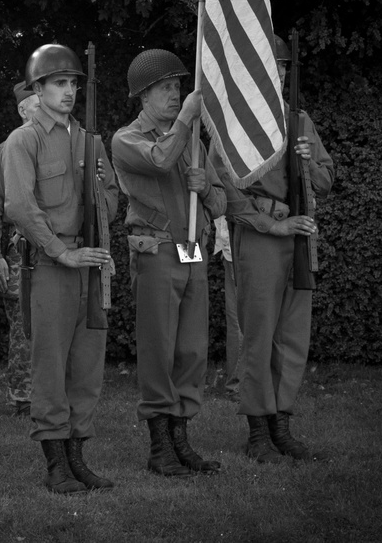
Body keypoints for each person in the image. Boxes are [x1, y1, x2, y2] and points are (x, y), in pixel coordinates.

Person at [3, 43, 119, 494]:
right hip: (50, 265)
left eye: (73, 83)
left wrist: (96, 225)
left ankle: (78, 459)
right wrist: (60, 250)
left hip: (90, 263)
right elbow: (19, 205)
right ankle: (55, 464)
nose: (68, 91)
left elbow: (110, 196)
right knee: (50, 366)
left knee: (86, 367)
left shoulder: (91, 141)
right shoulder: (24, 139)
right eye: (59, 83)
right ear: (38, 88)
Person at [216, 34, 334, 464]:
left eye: (283, 68)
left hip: (301, 235)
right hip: (264, 238)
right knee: (259, 335)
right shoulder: (238, 124)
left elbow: (325, 178)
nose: (278, 75)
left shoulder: (300, 121)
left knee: (292, 337)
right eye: (271, 67)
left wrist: (306, 160)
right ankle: (257, 430)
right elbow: (225, 187)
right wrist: (271, 223)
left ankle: (282, 424)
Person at [111, 49, 226, 477]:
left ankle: (181, 441)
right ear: (142, 96)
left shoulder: (191, 138)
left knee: (192, 350)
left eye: (177, 87)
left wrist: (205, 188)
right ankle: (160, 447)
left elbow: (219, 200)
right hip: (157, 250)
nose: (175, 94)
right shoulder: (126, 139)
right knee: (159, 348)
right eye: (164, 88)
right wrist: (186, 123)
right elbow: (159, 160)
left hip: (193, 251)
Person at [0, 81, 39, 417]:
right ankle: (22, 397)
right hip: (17, 252)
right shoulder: (4, 152)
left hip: (47, 247)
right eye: (37, 102)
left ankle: (43, 391)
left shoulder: (52, 145)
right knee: (22, 326)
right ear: (22, 109)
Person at [214, 216, 241, 401]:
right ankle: (239, 386)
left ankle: (240, 386)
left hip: (239, 248)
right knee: (239, 323)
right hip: (234, 249)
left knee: (240, 322)